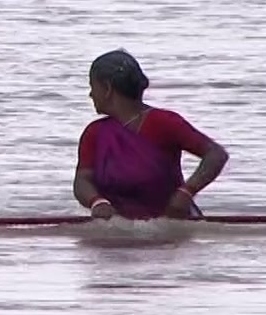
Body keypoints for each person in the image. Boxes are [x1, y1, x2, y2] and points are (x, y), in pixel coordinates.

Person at [72, 49, 230, 221]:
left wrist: (186, 192)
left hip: (169, 225)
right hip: (117, 229)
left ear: (107, 89)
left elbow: (215, 154)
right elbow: (82, 181)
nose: (90, 94)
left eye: (92, 86)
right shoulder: (94, 133)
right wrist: (97, 202)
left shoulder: (164, 122)